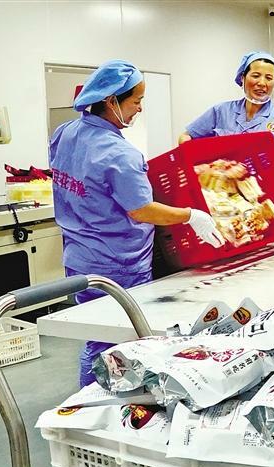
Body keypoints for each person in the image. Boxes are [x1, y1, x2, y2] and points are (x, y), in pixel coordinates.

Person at [50, 59, 225, 387]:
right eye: (136, 101)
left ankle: (91, 400)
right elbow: (142, 210)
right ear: (110, 101)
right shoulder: (120, 154)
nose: (140, 108)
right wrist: (191, 215)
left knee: (97, 335)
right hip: (119, 264)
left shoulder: (66, 133)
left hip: (79, 256)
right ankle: (102, 403)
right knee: (121, 342)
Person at [178, 51, 274, 230]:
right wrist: (204, 166)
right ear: (242, 77)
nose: (262, 83)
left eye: (269, 78)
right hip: (221, 201)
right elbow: (185, 137)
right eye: (255, 75)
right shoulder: (221, 112)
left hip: (263, 200)